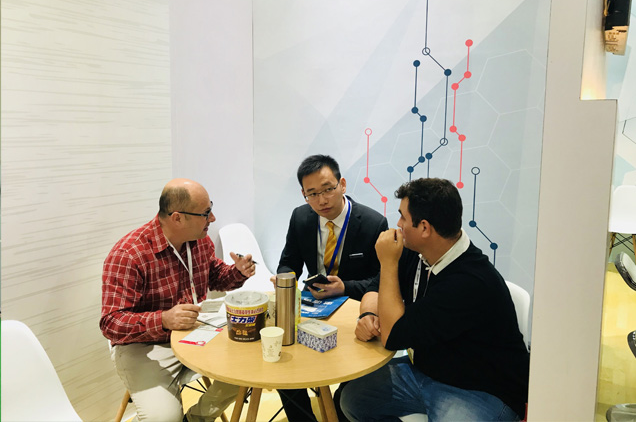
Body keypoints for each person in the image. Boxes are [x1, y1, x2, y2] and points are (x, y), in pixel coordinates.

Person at [341, 178, 530, 421]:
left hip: (481, 389)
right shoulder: (418, 251)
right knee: (353, 399)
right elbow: (376, 288)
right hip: (425, 370)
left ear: (424, 228)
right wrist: (369, 313)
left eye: (403, 217)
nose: (398, 225)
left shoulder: (469, 282)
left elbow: (392, 336)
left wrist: (388, 262)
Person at [100, 178, 255, 422]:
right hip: (144, 347)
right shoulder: (129, 255)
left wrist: (238, 272)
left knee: (250, 366)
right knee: (163, 418)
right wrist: (163, 320)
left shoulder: (199, 240)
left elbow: (215, 276)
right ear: (177, 218)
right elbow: (111, 323)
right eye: (205, 213)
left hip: (195, 332)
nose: (213, 218)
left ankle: (196, 419)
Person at [276, 154, 388, 422]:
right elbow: (288, 262)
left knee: (349, 384)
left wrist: (345, 287)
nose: (322, 200)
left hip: (354, 310)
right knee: (283, 368)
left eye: (328, 189)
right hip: (311, 306)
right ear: (304, 194)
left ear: (342, 184)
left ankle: (340, 411)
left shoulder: (372, 223)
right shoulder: (301, 217)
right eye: (312, 194)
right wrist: (285, 281)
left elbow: (382, 280)